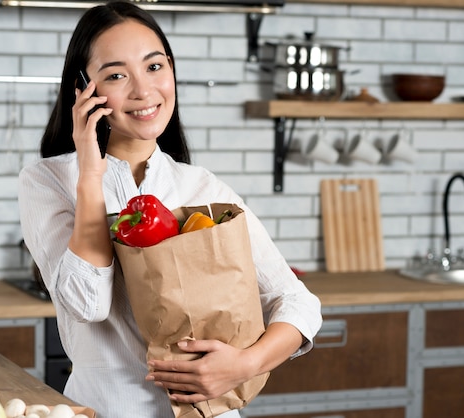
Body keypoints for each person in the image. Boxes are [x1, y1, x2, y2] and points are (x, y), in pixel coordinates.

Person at [18, 1, 322, 417]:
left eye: (155, 67)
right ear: (83, 89)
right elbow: (87, 304)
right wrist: (90, 175)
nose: (143, 90)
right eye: (117, 75)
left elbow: (298, 302)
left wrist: (243, 366)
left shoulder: (203, 187)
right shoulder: (48, 180)